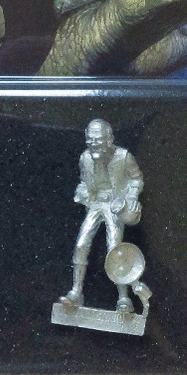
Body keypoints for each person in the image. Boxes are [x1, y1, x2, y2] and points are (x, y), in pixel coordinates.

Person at [60, 119, 143, 312]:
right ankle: (76, 292)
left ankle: (123, 298)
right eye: (90, 139)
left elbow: (137, 179)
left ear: (109, 139)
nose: (93, 143)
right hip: (96, 204)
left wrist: (131, 197)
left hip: (116, 204)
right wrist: (82, 191)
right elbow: (84, 181)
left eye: (97, 139)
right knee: (81, 244)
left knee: (114, 248)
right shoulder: (85, 158)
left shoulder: (123, 157)